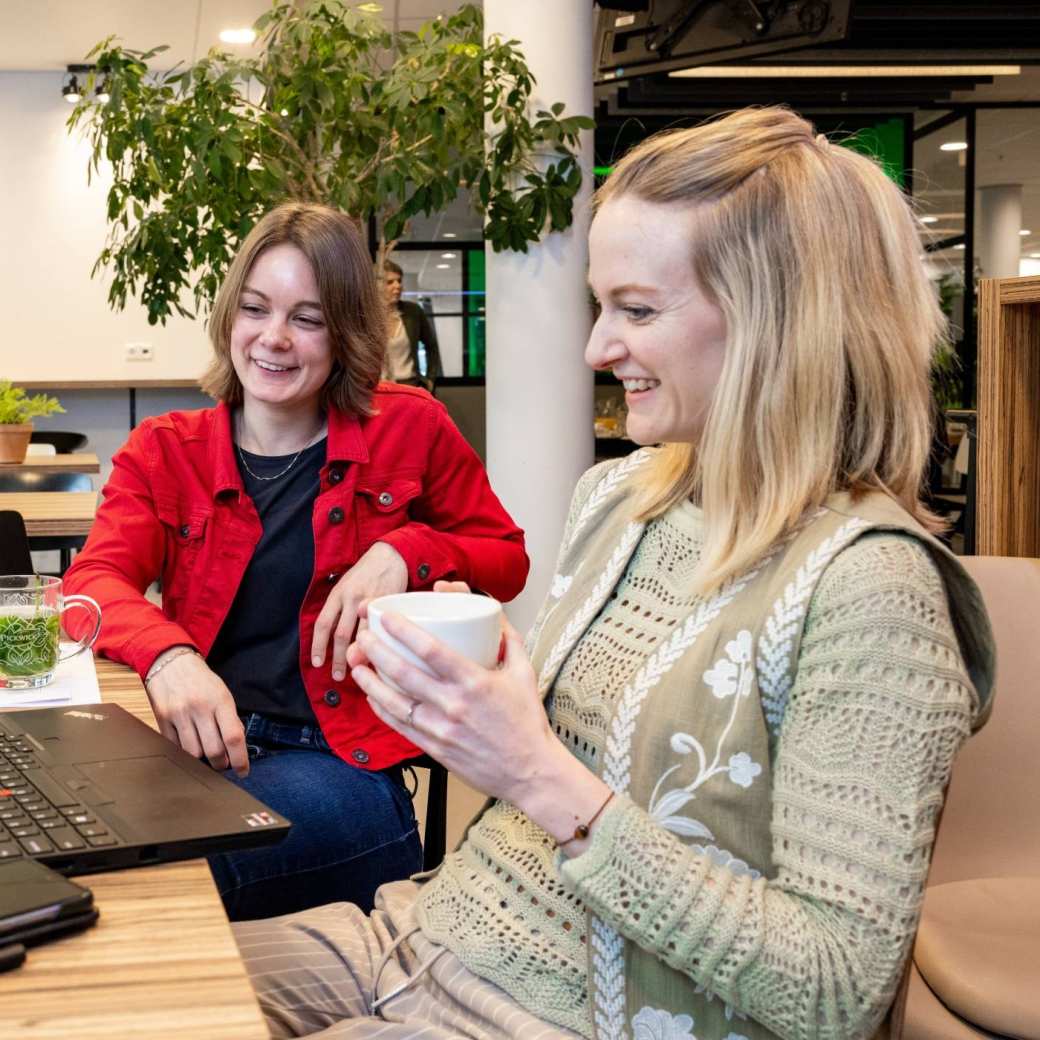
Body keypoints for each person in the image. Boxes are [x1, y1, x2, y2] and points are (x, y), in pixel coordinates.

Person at [231, 108, 995, 1040]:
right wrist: (469, 708)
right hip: (418, 937)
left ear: (778, 322)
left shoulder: (870, 590)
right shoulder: (623, 496)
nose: (597, 348)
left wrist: (534, 770)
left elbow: (835, 991)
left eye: (636, 310)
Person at [64, 202, 528, 921]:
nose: (274, 339)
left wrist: (407, 550)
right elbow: (90, 585)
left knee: (157, 879)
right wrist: (167, 657)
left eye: (307, 319)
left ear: (345, 334)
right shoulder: (166, 449)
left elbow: (505, 559)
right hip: (196, 749)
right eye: (256, 309)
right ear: (229, 318)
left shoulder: (411, 427)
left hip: (345, 773)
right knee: (74, 844)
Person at [381, 260, 442, 390]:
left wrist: (430, 379)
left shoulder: (413, 311)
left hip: (409, 385)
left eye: (399, 281)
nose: (397, 286)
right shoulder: (366, 315)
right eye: (390, 282)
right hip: (378, 388)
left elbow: (432, 346)